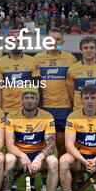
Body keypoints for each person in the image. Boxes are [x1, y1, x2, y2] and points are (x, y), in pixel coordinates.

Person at [34, 28, 77, 156]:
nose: (54, 42)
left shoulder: (70, 59)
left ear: (62, 42)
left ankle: (61, 174)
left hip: (63, 108)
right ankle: (47, 176)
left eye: (58, 39)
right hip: (44, 108)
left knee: (62, 145)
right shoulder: (37, 59)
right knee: (44, 145)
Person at [67, 36, 96, 113]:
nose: (89, 51)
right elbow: (71, 95)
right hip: (79, 113)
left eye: (92, 48)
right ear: (81, 50)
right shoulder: (72, 69)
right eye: (85, 48)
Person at [0, 32, 39, 114]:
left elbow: (37, 88)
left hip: (26, 109)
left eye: (19, 41)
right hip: (7, 109)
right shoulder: (0, 62)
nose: (16, 44)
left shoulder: (32, 61)